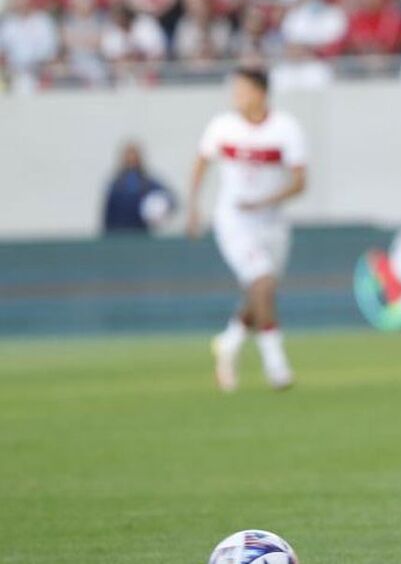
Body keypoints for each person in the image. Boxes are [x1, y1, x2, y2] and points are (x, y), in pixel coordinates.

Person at [186, 67, 308, 393]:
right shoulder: (222, 127)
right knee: (262, 282)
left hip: (272, 222)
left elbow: (300, 182)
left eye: (242, 90)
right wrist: (193, 207)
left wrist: (266, 201)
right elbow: (201, 163)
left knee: (260, 293)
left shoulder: (286, 128)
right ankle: (276, 364)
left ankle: (229, 342)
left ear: (260, 93)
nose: (236, 96)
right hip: (234, 221)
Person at [102, 141, 174, 233]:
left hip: (142, 233)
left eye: (134, 158)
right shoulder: (116, 186)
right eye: (129, 159)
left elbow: (169, 198)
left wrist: (161, 209)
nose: (131, 162)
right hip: (119, 233)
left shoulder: (148, 183)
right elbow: (108, 214)